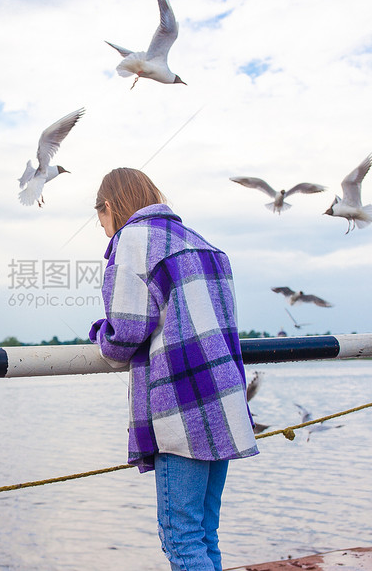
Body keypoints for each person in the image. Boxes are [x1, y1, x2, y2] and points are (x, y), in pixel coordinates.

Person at [89, 167, 258, 570]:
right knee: (204, 532)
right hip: (224, 402)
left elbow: (124, 335)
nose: (105, 231)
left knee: (180, 537)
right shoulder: (202, 243)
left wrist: (100, 332)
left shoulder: (130, 240)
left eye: (101, 221)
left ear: (109, 207)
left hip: (182, 409)